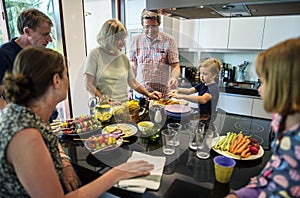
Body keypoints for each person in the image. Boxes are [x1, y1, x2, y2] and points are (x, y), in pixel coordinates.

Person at [0, 46, 154, 197]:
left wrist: (65, 161)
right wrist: (118, 173)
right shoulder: (27, 136)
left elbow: (50, 142)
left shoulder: (24, 113)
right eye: (66, 74)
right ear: (56, 80)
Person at [0, 8, 80, 192]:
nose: (49, 40)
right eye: (45, 34)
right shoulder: (25, 131)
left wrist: (64, 161)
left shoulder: (32, 122)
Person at [226, 38, 300, 197]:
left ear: (284, 85)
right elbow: (273, 175)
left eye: (263, 81)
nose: (259, 89)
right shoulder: (281, 118)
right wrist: (240, 194)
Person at [84, 19, 161, 104]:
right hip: (103, 109)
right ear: (109, 38)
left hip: (122, 107)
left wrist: (148, 94)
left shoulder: (123, 58)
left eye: (123, 39)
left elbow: (133, 82)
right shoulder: (95, 54)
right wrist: (107, 102)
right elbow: (89, 85)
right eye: (120, 39)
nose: (123, 44)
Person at [0, 8, 58, 121]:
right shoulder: (3, 55)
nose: (50, 40)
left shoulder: (40, 54)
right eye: (45, 35)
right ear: (27, 31)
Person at [129, 9, 180, 98]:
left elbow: (175, 66)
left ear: (159, 24)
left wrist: (174, 78)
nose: (150, 30)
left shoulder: (169, 40)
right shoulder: (135, 41)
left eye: (154, 26)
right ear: (142, 25)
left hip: (162, 93)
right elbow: (133, 67)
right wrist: (130, 89)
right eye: (147, 26)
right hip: (141, 93)